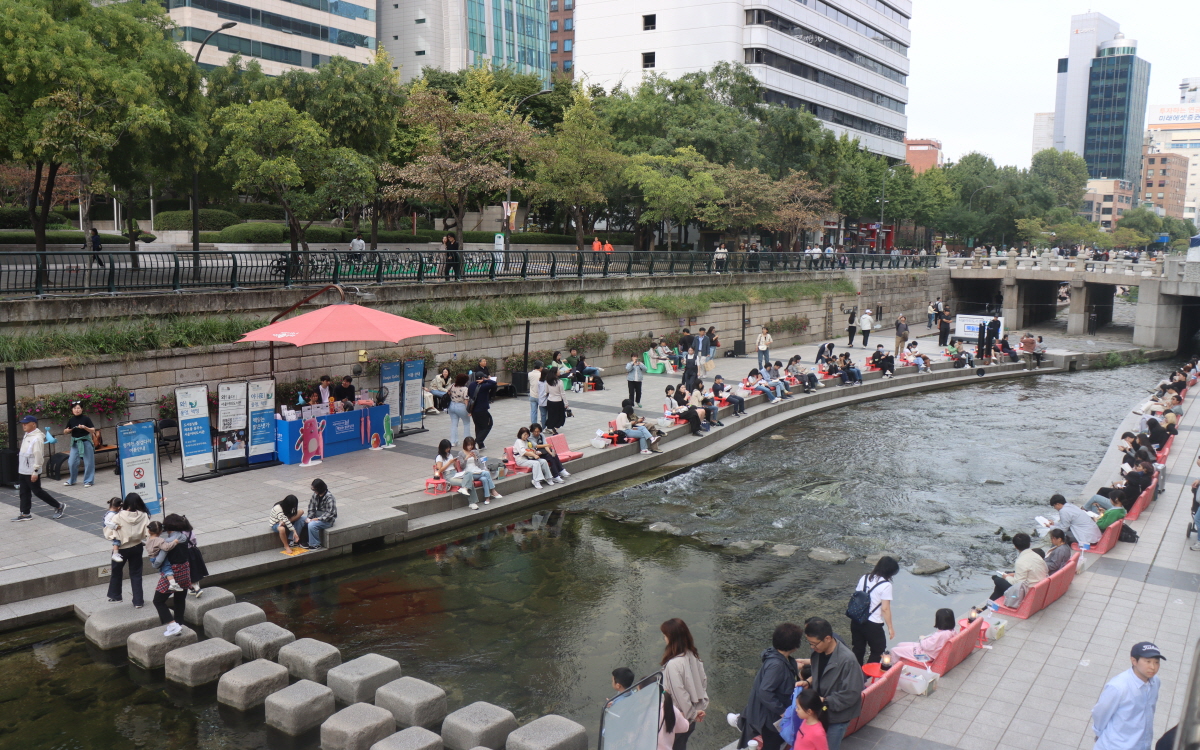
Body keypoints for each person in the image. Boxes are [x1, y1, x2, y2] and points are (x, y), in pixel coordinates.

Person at [737, 623, 802, 750]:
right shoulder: (777, 665)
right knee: (772, 745)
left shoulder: (777, 656)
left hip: (770, 714)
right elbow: (765, 692)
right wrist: (782, 711)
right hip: (770, 718)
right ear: (794, 645)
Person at [800, 618, 862, 750]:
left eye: (814, 644)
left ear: (828, 638)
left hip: (837, 716)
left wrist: (825, 700)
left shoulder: (848, 660)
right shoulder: (817, 652)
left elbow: (852, 694)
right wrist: (808, 681)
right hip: (820, 711)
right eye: (810, 644)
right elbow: (820, 674)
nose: (812, 647)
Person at [1092, 642, 1164, 750]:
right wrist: (1099, 734)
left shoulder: (1155, 682)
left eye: (1156, 662)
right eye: (1148, 662)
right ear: (1134, 661)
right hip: (1116, 746)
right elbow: (1100, 712)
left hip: (1143, 745)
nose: (1153, 667)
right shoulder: (1118, 687)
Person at [661, 618, 708, 750]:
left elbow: (678, 693)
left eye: (665, 635)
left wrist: (691, 714)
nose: (664, 638)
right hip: (691, 717)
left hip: (677, 718)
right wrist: (697, 711)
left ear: (671, 638)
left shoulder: (673, 664)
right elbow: (703, 681)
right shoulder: (693, 655)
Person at [14, 415, 66, 521]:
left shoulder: (37, 438)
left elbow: (38, 455)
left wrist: (35, 471)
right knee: (24, 492)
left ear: (33, 424)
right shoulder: (27, 435)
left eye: (26, 423)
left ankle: (58, 506)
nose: (23, 425)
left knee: (37, 491)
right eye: (23, 423)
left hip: (31, 470)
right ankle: (25, 513)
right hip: (23, 469)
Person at [152, 514, 195, 637]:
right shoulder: (183, 537)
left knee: (158, 601)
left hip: (173, 574)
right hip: (185, 571)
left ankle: (172, 625)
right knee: (180, 600)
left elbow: (158, 562)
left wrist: (154, 563)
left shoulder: (168, 542)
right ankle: (179, 624)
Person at [849, 556, 896, 665]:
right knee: (878, 649)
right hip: (873, 624)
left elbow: (857, 597)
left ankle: (857, 673)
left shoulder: (864, 578)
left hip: (856, 620)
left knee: (858, 649)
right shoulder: (886, 585)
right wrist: (890, 627)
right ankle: (867, 674)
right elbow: (885, 608)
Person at [105, 493, 150, 607]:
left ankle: (116, 596)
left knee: (116, 571)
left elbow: (109, 533)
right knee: (136, 574)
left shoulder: (118, 516)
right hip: (137, 546)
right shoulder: (144, 515)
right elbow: (147, 532)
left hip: (121, 548)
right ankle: (138, 601)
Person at [988, 532, 1048, 602]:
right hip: (1039, 588)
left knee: (997, 579)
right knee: (1000, 585)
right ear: (1030, 544)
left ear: (1015, 546)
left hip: (1027, 593)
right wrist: (1013, 575)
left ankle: (987, 606)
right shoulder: (1037, 556)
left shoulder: (1020, 561)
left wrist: (1006, 577)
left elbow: (1017, 584)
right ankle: (987, 605)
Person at [890, 608, 957, 666]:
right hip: (931, 653)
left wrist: (922, 639)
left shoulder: (941, 635)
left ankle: (893, 668)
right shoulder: (952, 632)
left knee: (894, 650)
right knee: (900, 644)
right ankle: (899, 663)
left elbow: (926, 646)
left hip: (925, 656)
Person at [456, 436, 503, 506]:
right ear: (465, 445)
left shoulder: (475, 452)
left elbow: (480, 465)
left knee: (484, 479)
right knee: (486, 473)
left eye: (471, 445)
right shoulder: (461, 453)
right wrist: (466, 458)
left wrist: (476, 458)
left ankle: (487, 497)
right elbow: (462, 466)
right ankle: (493, 490)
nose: (470, 447)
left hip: (477, 470)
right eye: (468, 445)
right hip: (469, 473)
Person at [61, 400, 97, 487]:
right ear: (72, 410)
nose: (76, 410)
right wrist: (68, 430)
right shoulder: (71, 420)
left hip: (86, 442)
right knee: (71, 462)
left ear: (82, 409)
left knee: (89, 462)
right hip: (75, 443)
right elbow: (65, 431)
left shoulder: (86, 419)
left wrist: (85, 427)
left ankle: (88, 481)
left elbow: (93, 430)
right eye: (74, 408)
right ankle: (72, 480)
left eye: (78, 408)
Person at [146, 520, 186, 593]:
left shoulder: (148, 540)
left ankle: (169, 581)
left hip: (152, 558)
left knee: (164, 569)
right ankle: (172, 584)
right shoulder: (160, 540)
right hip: (158, 557)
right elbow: (166, 547)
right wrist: (174, 542)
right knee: (168, 570)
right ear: (161, 531)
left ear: (149, 531)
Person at [304, 478, 337, 550]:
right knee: (301, 519)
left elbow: (330, 513)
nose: (313, 491)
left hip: (327, 520)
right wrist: (309, 517)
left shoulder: (330, 497)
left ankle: (315, 544)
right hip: (316, 516)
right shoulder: (315, 495)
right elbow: (311, 508)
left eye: (314, 490)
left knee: (312, 525)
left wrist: (318, 519)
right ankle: (302, 541)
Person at [468, 372, 495, 449]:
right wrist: (487, 380)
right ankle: (477, 441)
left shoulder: (472, 385)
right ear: (482, 378)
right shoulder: (484, 386)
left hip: (473, 409)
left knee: (478, 426)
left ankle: (480, 445)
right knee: (488, 425)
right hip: (482, 409)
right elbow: (494, 383)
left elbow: (469, 394)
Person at [447, 374, 472, 445]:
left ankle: (453, 441)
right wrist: (469, 410)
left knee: (454, 424)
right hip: (461, 406)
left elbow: (448, 392)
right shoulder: (465, 389)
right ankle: (467, 442)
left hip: (451, 405)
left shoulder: (452, 386)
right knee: (466, 423)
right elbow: (466, 400)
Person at [544, 369, 568, 435]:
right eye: (558, 371)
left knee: (551, 415)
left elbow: (547, 391)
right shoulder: (559, 382)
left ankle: (549, 427)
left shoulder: (547, 381)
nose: (559, 372)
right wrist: (566, 403)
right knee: (561, 416)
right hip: (558, 401)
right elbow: (562, 393)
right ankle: (555, 427)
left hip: (550, 400)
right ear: (555, 373)